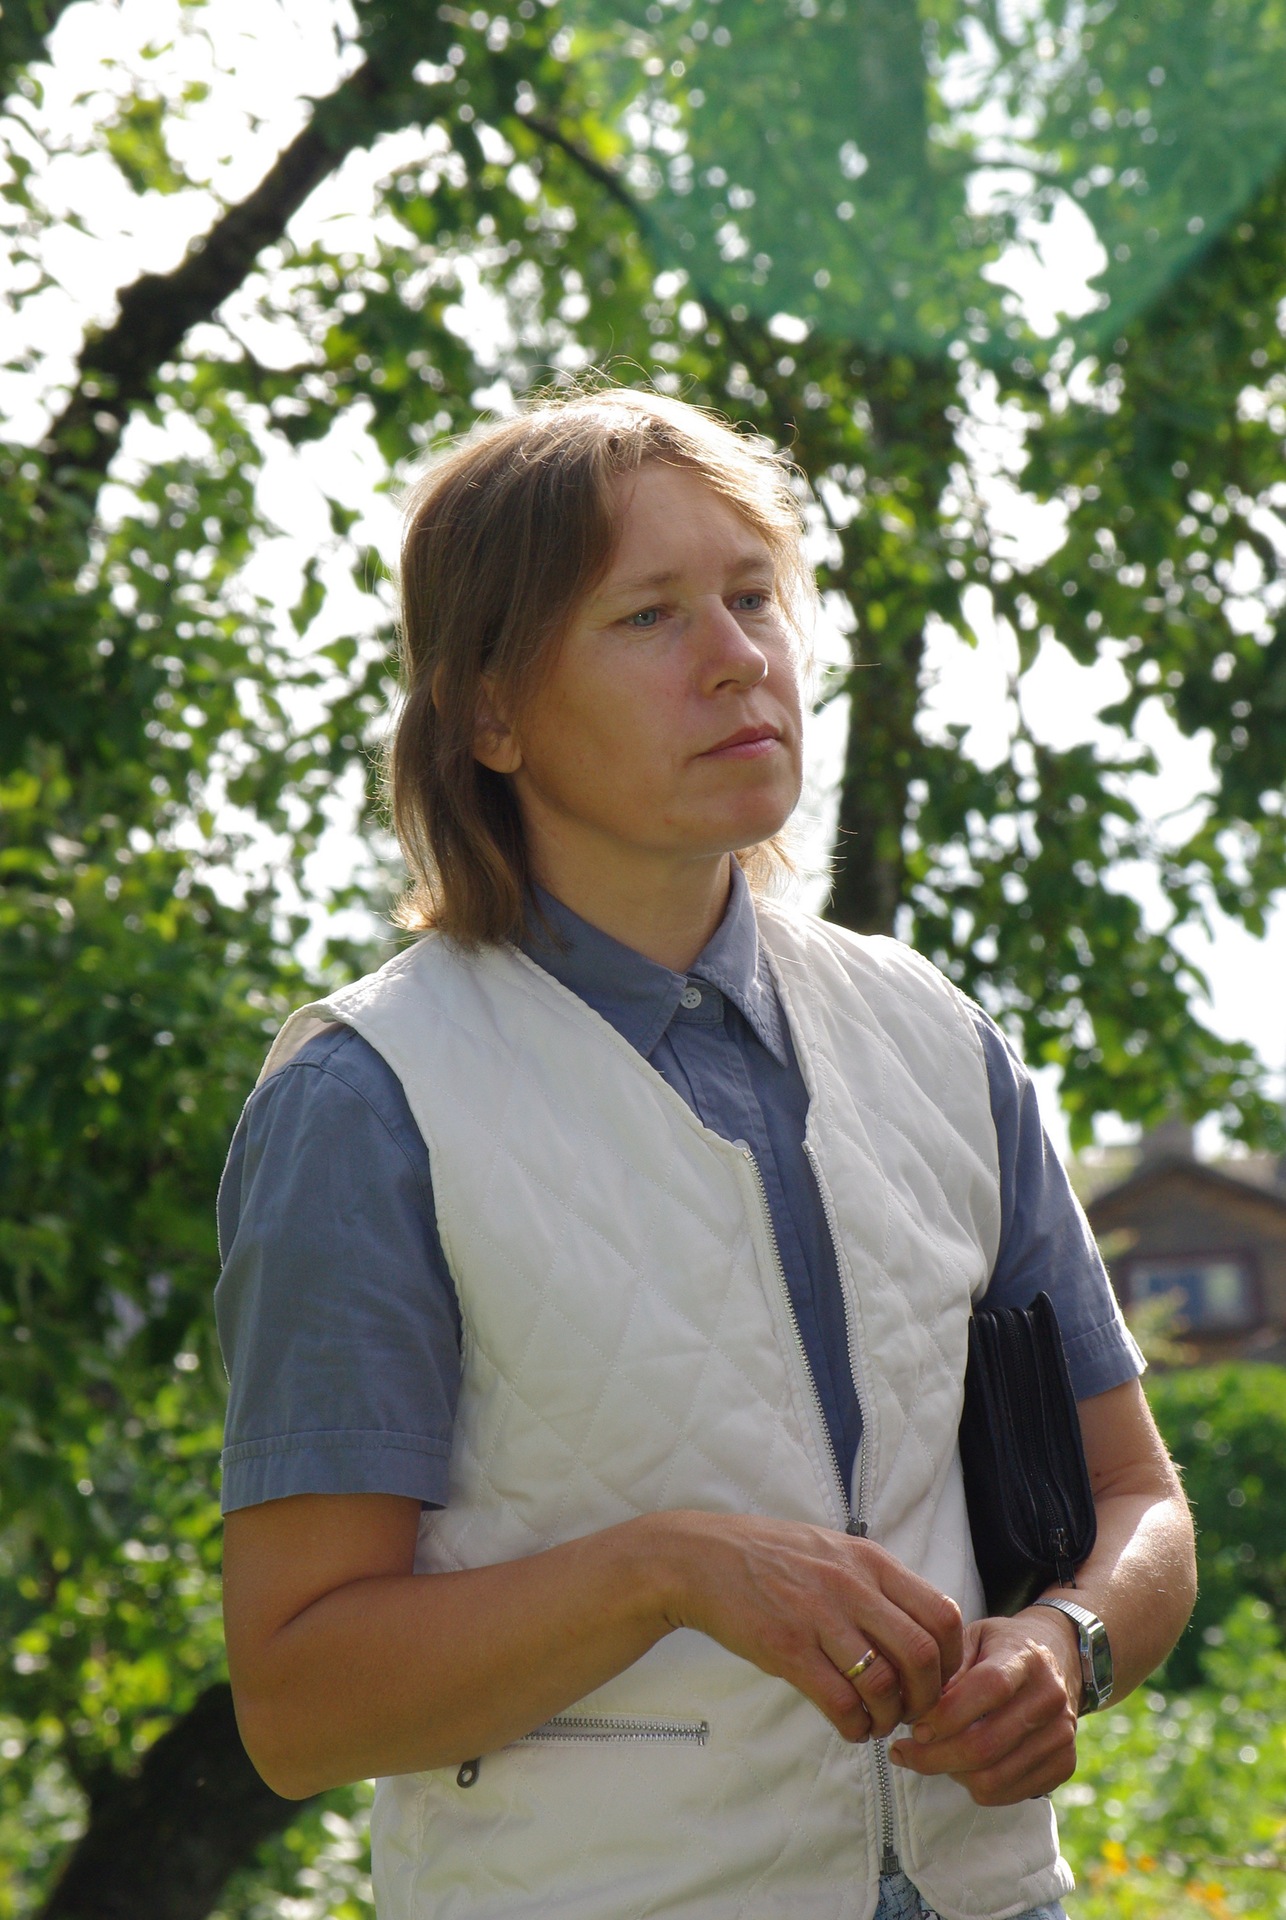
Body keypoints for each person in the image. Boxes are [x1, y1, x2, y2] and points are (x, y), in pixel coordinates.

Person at [216, 386, 1196, 1920]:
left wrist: (1063, 1645)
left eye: (752, 596)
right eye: (648, 615)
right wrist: (661, 1569)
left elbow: (1140, 1501)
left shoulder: (934, 1036)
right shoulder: (367, 1100)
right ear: (487, 715)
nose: (739, 656)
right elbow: (298, 1707)